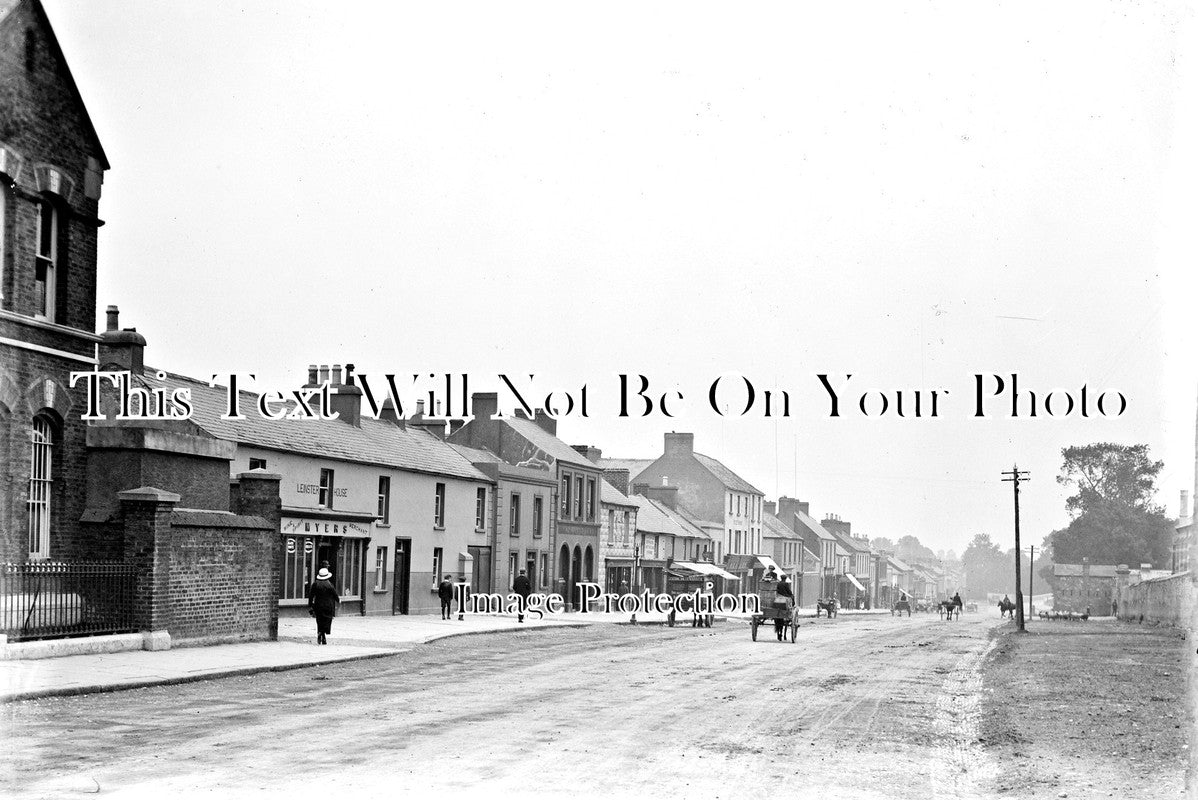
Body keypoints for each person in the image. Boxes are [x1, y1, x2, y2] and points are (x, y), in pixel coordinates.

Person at [307, 563, 339, 645]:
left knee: (319, 620)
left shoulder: (315, 584)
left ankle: (320, 632)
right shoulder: (329, 584)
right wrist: (338, 600)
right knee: (327, 620)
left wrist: (310, 605)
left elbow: (311, 595)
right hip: (328, 606)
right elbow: (335, 594)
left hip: (318, 605)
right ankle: (324, 634)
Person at [774, 574, 794, 640]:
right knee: (792, 597)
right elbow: (788, 591)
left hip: (779, 596)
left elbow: (777, 590)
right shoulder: (786, 584)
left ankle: (779, 634)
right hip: (785, 597)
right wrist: (791, 595)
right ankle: (792, 606)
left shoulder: (778, 584)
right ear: (785, 579)